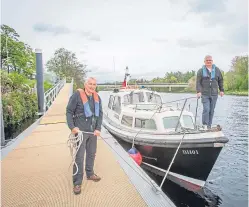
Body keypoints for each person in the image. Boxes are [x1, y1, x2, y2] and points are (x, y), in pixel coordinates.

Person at [66, 77, 103, 195]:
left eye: (94, 84)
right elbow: (69, 111)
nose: (92, 86)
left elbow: (100, 114)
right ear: (85, 84)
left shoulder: (97, 97)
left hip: (93, 133)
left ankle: (90, 173)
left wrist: (98, 128)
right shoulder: (77, 95)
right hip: (80, 132)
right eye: (90, 84)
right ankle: (77, 182)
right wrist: (72, 127)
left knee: (92, 154)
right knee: (79, 157)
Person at [196, 55, 224, 129]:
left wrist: (221, 90)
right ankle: (204, 125)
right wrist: (198, 91)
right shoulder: (200, 71)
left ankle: (209, 125)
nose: (209, 61)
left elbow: (220, 80)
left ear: (212, 61)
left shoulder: (217, 70)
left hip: (214, 94)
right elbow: (198, 82)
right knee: (206, 109)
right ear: (204, 61)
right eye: (207, 60)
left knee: (211, 110)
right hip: (205, 94)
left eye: (210, 60)